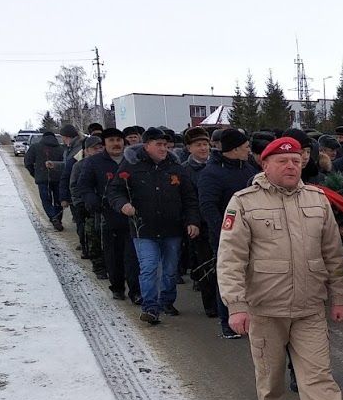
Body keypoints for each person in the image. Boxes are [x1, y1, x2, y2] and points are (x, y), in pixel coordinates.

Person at [216, 136, 343, 400]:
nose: (291, 166)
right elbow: (231, 258)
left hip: (309, 306)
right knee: (271, 378)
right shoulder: (244, 202)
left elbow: (333, 254)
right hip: (265, 308)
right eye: (283, 161)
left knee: (318, 375)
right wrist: (236, 305)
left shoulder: (316, 199)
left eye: (296, 161)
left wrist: (339, 296)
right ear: (265, 165)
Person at [106, 127, 201, 325]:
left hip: (172, 228)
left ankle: (166, 300)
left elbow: (189, 197)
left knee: (170, 269)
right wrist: (123, 205)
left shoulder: (175, 167)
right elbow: (115, 190)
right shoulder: (131, 165)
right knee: (149, 268)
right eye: (158, 144)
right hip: (144, 228)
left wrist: (192, 220)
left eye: (165, 144)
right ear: (147, 145)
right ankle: (150, 307)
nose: (163, 148)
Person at [198, 128, 259, 338]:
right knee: (229, 277)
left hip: (253, 234)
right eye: (245, 147)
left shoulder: (248, 169)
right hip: (225, 237)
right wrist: (224, 233)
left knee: (251, 276)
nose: (249, 151)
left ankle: (250, 316)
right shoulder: (211, 173)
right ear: (233, 150)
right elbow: (208, 207)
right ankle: (226, 322)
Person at [77, 128, 140, 302]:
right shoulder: (95, 162)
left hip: (133, 215)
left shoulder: (133, 160)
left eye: (119, 140)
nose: (116, 143)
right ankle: (117, 287)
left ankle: (135, 291)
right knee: (113, 254)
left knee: (132, 255)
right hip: (108, 215)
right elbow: (84, 186)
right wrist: (93, 201)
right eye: (111, 140)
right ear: (104, 144)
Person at [180, 127, 220, 318]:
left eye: (205, 144)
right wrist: (192, 221)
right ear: (189, 148)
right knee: (206, 265)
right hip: (200, 224)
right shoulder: (185, 171)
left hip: (217, 220)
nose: (203, 148)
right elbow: (188, 200)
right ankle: (210, 304)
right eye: (198, 145)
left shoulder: (217, 165)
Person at [65, 132, 105, 266]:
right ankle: (94, 259)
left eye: (101, 147)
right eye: (95, 148)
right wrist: (80, 203)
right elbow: (74, 186)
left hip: (105, 206)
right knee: (88, 233)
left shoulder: (108, 164)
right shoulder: (79, 166)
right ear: (87, 150)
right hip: (86, 206)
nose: (99, 150)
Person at [31, 131, 68, 230]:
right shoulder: (61, 148)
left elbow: (28, 162)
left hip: (43, 178)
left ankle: (53, 217)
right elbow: (66, 163)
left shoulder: (35, 147)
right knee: (58, 199)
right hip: (58, 178)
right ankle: (58, 219)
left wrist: (35, 174)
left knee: (46, 200)